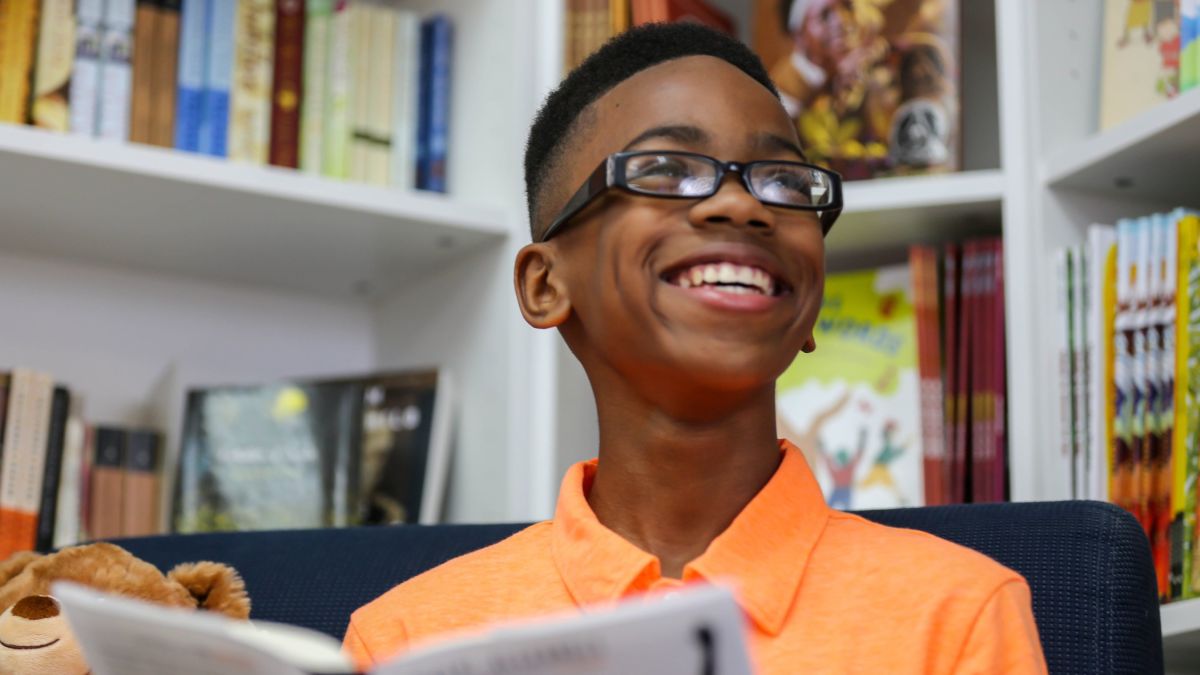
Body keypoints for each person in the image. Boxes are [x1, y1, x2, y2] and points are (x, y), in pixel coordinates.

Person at [344, 22, 1047, 673]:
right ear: (545, 284)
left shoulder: (960, 613)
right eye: (667, 170)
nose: (743, 204)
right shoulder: (407, 639)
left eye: (782, 180)